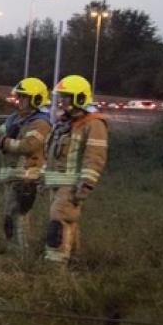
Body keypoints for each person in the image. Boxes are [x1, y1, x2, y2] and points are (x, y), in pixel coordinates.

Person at [41, 75, 108, 267]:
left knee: (58, 221)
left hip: (71, 184)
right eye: (61, 96)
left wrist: (85, 184)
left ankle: (55, 270)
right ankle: (76, 262)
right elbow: (52, 155)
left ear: (79, 98)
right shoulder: (64, 123)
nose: (61, 101)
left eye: (66, 97)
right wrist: (43, 178)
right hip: (57, 182)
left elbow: (94, 157)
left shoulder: (93, 123)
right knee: (68, 223)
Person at [0, 77, 51, 253]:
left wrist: (1, 141)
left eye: (24, 97)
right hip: (12, 176)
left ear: (36, 99)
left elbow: (28, 146)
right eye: (19, 97)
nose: (20, 101)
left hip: (26, 177)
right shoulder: (14, 118)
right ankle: (14, 250)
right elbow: (1, 136)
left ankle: (22, 253)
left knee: (18, 217)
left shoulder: (40, 122)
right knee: (10, 216)